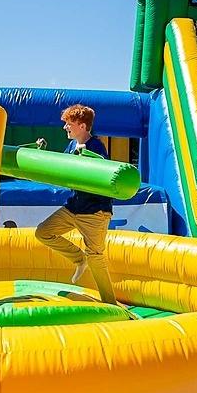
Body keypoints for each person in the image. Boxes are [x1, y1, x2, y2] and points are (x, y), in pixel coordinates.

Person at [35, 104, 117, 304]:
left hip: (95, 212)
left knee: (96, 256)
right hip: (74, 207)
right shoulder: (72, 146)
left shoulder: (96, 146)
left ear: (82, 126)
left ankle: (110, 303)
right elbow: (60, 167)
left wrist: (86, 157)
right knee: (43, 232)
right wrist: (40, 154)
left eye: (68, 124)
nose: (65, 127)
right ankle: (79, 259)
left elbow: (102, 170)